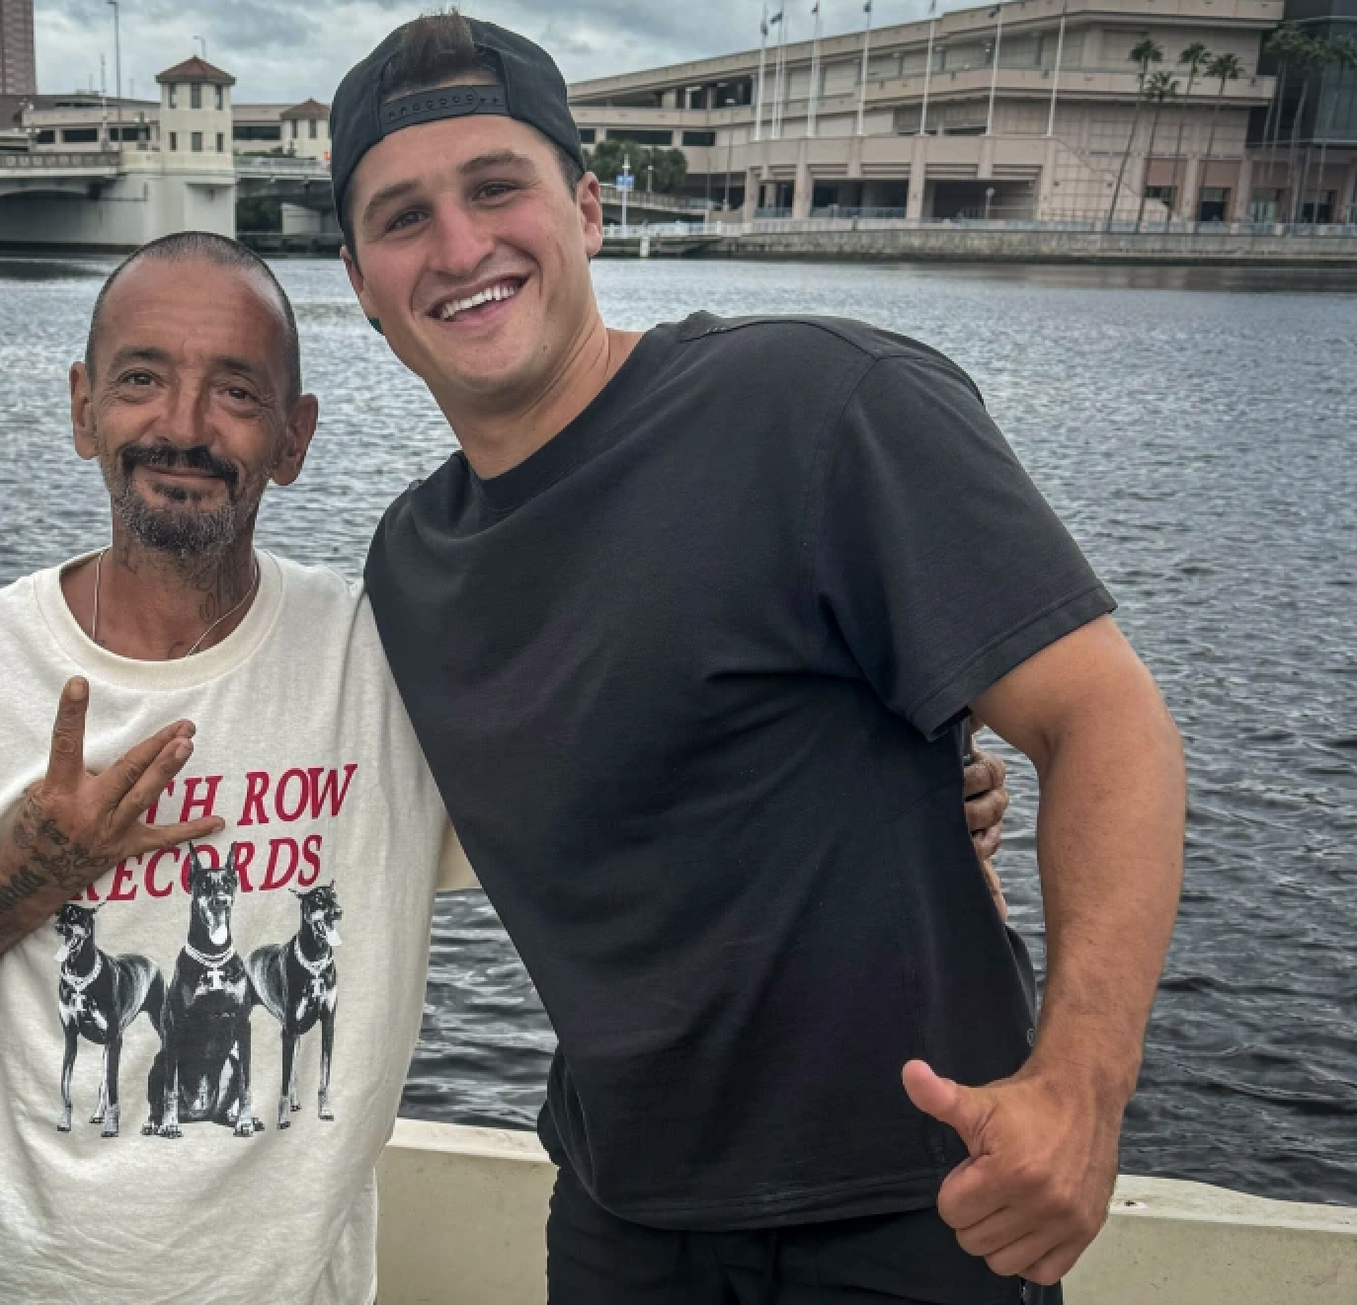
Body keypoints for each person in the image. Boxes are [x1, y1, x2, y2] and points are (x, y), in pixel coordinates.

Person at [0, 229, 1014, 1304]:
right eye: (142, 381)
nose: (182, 426)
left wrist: (879, 782)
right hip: (19, 1283)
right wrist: (29, 877)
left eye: (236, 393)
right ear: (80, 409)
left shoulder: (380, 659)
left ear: (294, 439)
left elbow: (628, 789)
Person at [334, 14, 1185, 1305]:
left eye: (496, 187)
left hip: (911, 1197)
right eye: (402, 216)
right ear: (357, 278)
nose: (460, 247)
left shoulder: (821, 403)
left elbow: (1105, 721)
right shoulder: (410, 559)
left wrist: (1079, 1085)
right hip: (623, 1211)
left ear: (587, 207)